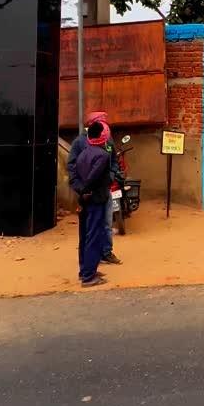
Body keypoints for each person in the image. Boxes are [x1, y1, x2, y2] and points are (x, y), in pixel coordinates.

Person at [67, 110, 122, 266]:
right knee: (90, 229)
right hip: (89, 194)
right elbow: (71, 166)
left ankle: (106, 252)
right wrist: (80, 188)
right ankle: (89, 265)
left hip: (105, 191)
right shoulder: (79, 143)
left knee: (106, 223)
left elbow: (114, 161)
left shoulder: (108, 140)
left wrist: (111, 176)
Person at [73, 121, 113, 287]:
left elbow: (74, 176)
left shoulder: (83, 153)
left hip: (84, 200)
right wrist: (87, 190)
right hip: (96, 199)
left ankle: (85, 270)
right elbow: (94, 177)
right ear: (103, 137)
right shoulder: (103, 156)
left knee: (84, 236)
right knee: (94, 236)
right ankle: (89, 276)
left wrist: (81, 192)